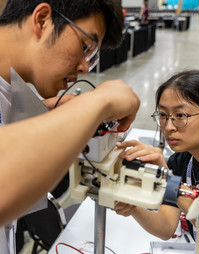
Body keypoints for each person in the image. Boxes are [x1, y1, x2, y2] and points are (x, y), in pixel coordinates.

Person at [0, 0, 140, 253]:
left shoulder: (9, 92)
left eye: (92, 56)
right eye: (86, 47)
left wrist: (43, 114)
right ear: (42, 20)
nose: (85, 67)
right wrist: (99, 102)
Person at [113, 70, 199, 254]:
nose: (168, 127)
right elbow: (167, 227)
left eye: (180, 116)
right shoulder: (180, 162)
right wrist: (134, 208)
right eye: (163, 115)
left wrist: (171, 184)